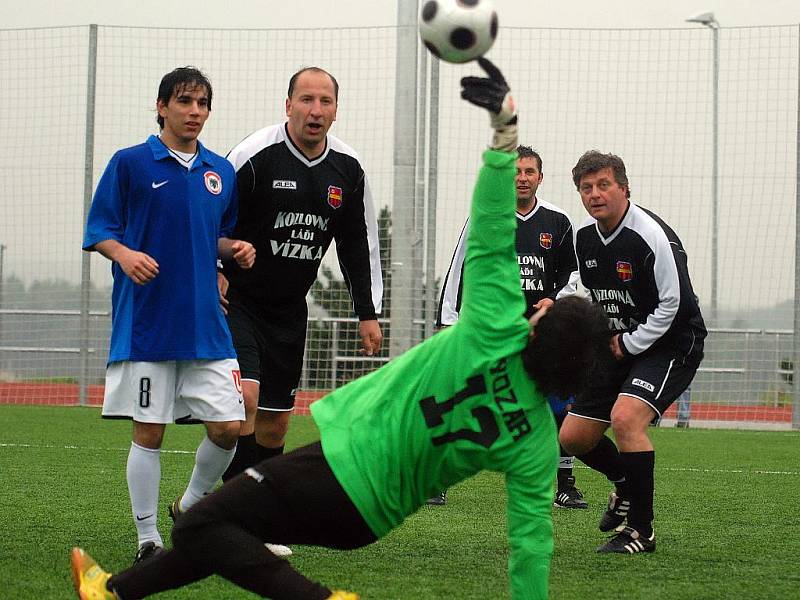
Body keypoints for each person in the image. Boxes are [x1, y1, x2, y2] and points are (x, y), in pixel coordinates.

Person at [71, 58, 611, 600]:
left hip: (343, 465)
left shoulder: (493, 327)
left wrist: (504, 135)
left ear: (536, 327)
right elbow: (531, 541)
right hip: (374, 519)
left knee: (197, 525)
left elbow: (492, 228)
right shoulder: (539, 439)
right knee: (225, 528)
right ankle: (113, 592)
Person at [81, 66, 256, 565]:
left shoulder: (219, 172)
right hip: (150, 325)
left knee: (229, 425)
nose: (194, 112)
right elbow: (100, 230)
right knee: (150, 431)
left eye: (202, 103)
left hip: (207, 325)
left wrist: (234, 249)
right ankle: (148, 539)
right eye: (184, 102)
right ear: (162, 106)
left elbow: (213, 236)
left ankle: (191, 507)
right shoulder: (131, 163)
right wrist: (124, 254)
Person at [214, 67, 384, 505]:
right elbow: (211, 216)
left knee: (275, 424)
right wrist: (215, 265)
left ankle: (221, 509)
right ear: (287, 105)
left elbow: (356, 243)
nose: (315, 110)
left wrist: (368, 312)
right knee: (244, 401)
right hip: (237, 302)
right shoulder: (254, 154)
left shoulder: (348, 169)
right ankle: (234, 513)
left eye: (324, 102)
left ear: (335, 111)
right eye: (306, 100)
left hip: (290, 310)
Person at [557, 150, 706, 553]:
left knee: (626, 419)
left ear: (624, 188)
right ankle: (624, 485)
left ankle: (641, 530)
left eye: (604, 185)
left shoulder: (651, 235)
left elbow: (673, 305)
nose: (595, 194)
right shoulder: (585, 238)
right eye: (586, 188)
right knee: (573, 437)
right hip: (618, 342)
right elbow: (591, 294)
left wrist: (628, 343)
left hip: (672, 342)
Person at [433, 144, 586, 509]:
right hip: (493, 330)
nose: (522, 178)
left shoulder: (558, 221)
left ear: (540, 178)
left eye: (529, 172)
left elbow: (574, 275)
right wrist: (448, 321)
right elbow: (461, 270)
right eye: (516, 171)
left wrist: (557, 302)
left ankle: (565, 482)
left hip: (542, 332)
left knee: (558, 405)